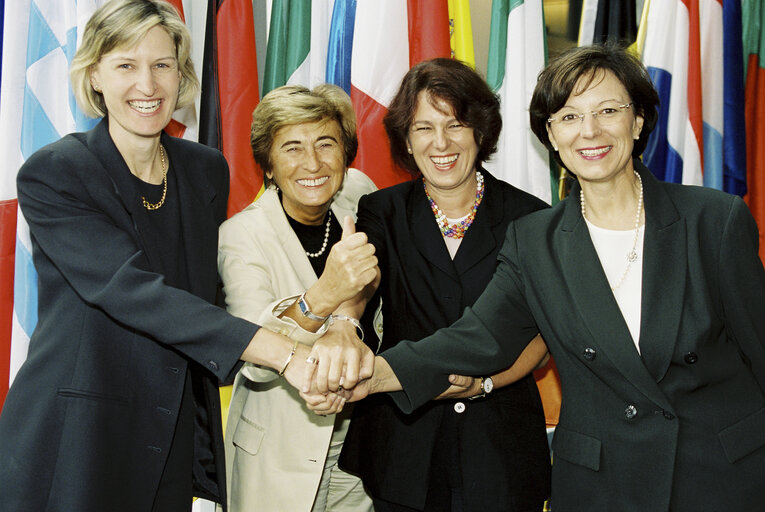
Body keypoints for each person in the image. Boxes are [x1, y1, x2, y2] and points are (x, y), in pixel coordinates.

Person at [332, 43, 765, 510]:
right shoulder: (535, 240)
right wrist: (366, 378)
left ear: (638, 122)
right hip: (603, 487)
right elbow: (478, 337)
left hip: (717, 479)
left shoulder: (714, 221)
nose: (590, 131)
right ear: (551, 136)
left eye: (607, 111)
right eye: (569, 117)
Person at [0, 2, 369, 511]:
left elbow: (207, 301)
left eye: (162, 65)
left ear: (182, 74)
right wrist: (288, 357)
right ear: (95, 77)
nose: (147, 85)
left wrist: (322, 328)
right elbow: (133, 294)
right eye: (126, 65)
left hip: (171, 434)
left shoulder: (205, 170)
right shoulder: (57, 172)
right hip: (78, 436)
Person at [336, 58, 552, 512]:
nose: (441, 143)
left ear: (479, 131)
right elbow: (359, 290)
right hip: (405, 445)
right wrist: (342, 323)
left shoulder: (531, 217)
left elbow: (542, 333)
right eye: (423, 128)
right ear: (407, 142)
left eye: (455, 124)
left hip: (502, 446)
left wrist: (486, 383)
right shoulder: (382, 211)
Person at [217, 84, 377, 512]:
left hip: (362, 446)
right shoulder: (241, 236)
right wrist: (324, 296)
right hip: (278, 451)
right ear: (268, 165)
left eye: (327, 144)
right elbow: (254, 360)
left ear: (346, 155)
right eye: (292, 147)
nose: (313, 163)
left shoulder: (360, 194)